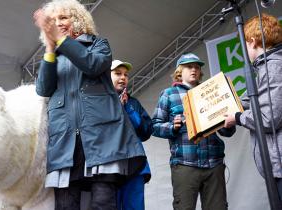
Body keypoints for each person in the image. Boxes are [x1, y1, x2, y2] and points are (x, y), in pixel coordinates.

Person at [33, 1, 146, 209]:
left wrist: (61, 40)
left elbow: (92, 65)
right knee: (66, 204)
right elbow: (43, 89)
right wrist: (50, 48)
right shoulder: (53, 56)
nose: (58, 23)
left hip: (102, 138)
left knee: (103, 202)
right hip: (65, 140)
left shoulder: (98, 44)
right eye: (54, 20)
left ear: (77, 18)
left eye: (64, 17)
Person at [151, 53, 236, 210]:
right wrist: (172, 127)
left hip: (214, 163)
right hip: (185, 164)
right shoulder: (169, 94)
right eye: (189, 66)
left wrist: (228, 123)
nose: (194, 70)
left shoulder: (212, 92)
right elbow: (154, 126)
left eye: (197, 67)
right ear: (179, 71)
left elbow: (227, 133)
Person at [224, 13, 282, 201]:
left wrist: (237, 117)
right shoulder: (269, 66)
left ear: (252, 41)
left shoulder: (273, 67)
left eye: (245, 46)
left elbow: (268, 118)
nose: (245, 51)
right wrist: (229, 98)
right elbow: (259, 99)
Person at [110, 60, 152, 210]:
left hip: (135, 165)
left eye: (126, 75)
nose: (123, 77)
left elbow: (146, 131)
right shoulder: (99, 101)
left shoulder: (133, 103)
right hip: (110, 166)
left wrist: (128, 109)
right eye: (117, 73)